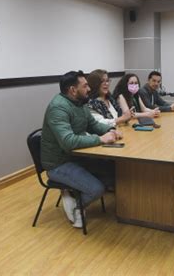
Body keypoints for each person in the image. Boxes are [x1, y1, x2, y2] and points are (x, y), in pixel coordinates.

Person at [40, 70, 122, 228]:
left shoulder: (81, 102)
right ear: (72, 90)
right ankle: (78, 206)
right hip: (58, 163)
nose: (89, 89)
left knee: (114, 172)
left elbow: (93, 125)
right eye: (85, 86)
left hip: (76, 157)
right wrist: (99, 139)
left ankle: (71, 189)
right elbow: (68, 141)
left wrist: (109, 130)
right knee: (96, 189)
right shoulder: (58, 108)